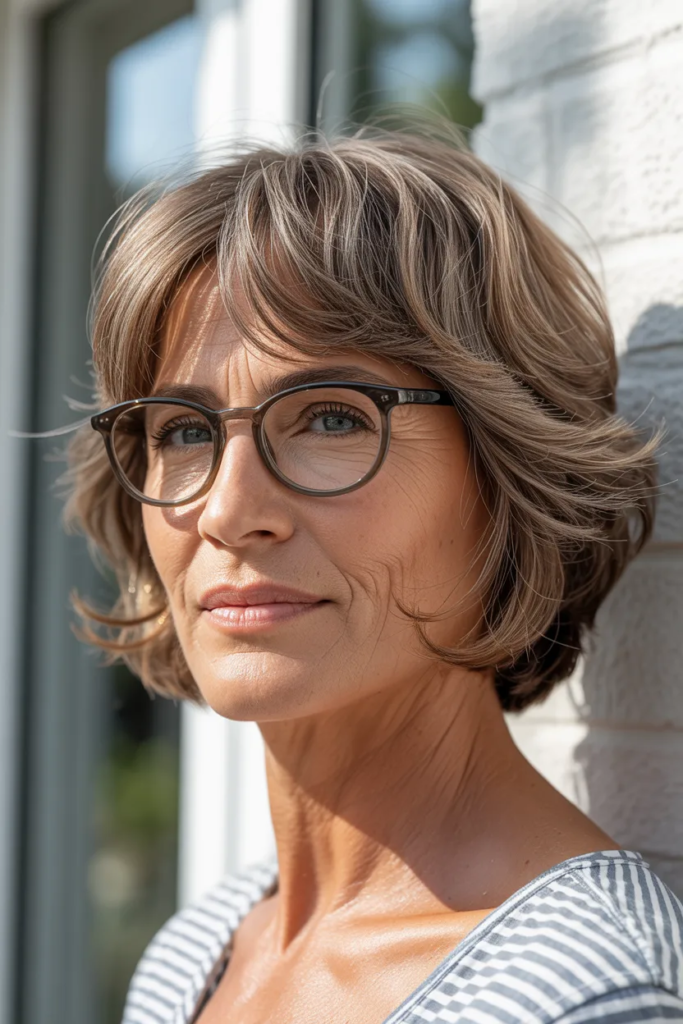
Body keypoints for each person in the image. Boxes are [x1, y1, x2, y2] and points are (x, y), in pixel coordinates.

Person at [66, 124, 683, 1023]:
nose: (229, 512)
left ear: (509, 473)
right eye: (186, 432)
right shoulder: (197, 952)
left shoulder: (584, 993)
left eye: (330, 418)